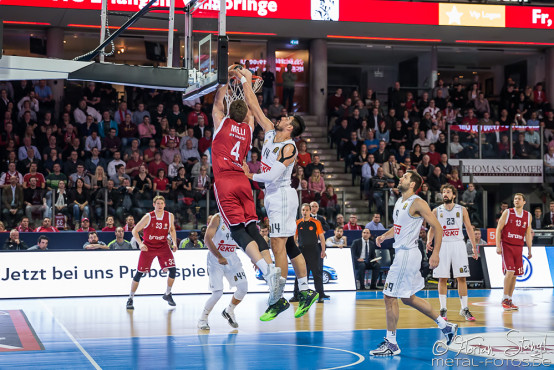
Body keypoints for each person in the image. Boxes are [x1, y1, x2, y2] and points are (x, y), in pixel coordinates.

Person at [238, 66, 318, 320]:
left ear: (291, 128)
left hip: (282, 195)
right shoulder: (272, 132)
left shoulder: (290, 148)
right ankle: (305, 291)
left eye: (286, 119)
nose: (282, 117)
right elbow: (254, 106)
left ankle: (277, 298)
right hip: (273, 196)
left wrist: (249, 175)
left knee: (278, 245)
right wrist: (245, 82)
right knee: (290, 245)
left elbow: (272, 176)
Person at [210, 69, 283, 319]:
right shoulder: (249, 129)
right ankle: (270, 265)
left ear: (230, 111)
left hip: (226, 182)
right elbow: (251, 110)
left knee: (238, 231)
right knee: (252, 227)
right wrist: (244, 82)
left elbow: (218, 103)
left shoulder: (222, 123)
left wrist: (225, 78)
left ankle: (265, 270)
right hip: (244, 182)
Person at [370, 170, 457, 356]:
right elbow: (400, 226)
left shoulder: (418, 202)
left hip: (407, 255)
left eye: (405, 177)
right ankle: (446, 326)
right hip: (403, 254)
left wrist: (436, 253)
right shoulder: (400, 201)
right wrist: (385, 235)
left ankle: (391, 344)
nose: (400, 178)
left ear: (412, 185)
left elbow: (438, 227)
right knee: (408, 298)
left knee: (389, 296)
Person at [426, 184, 478, 322]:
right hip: (442, 245)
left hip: (458, 244)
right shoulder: (437, 210)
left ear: (454, 195)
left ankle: (464, 308)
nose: (445, 194)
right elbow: (432, 228)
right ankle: (443, 309)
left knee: (461, 277)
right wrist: (428, 241)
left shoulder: (462, 210)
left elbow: (469, 228)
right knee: (442, 278)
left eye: (448, 192)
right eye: (443, 192)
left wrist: (474, 246)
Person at [198, 213, 249, 330]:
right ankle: (203, 319)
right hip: (215, 259)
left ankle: (229, 311)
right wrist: (219, 256)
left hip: (232, 258)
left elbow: (242, 243)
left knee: (243, 288)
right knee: (217, 293)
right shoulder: (218, 218)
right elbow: (207, 239)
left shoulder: (240, 218)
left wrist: (254, 259)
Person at [127, 196, 178, 310]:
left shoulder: (170, 216)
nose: (159, 205)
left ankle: (168, 294)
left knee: (173, 270)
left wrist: (174, 243)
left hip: (163, 246)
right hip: (148, 246)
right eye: (157, 203)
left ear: (164, 205)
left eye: (161, 203)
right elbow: (134, 230)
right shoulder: (148, 216)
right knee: (139, 273)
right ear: (154, 205)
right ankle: (130, 298)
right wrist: (140, 243)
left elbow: (172, 229)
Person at [496, 193, 533, 311]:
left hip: (519, 247)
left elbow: (527, 233)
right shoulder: (507, 212)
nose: (516, 201)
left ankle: (509, 299)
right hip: (507, 245)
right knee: (510, 271)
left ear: (524, 202)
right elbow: (498, 229)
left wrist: (530, 249)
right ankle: (504, 299)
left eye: (519, 199)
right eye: (515, 199)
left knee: (515, 275)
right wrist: (498, 246)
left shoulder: (528, 215)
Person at [294, 204, 327, 303]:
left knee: (317, 273)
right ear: (301, 211)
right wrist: (295, 250)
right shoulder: (298, 223)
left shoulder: (316, 222)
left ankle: (320, 295)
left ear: (310, 211)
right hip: (301, 251)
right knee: (300, 274)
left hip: (314, 250)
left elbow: (321, 237)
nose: (305, 212)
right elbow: (294, 238)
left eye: (307, 210)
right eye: (303, 210)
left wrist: (323, 250)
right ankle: (296, 295)